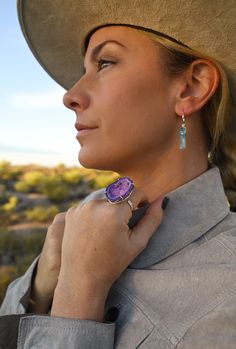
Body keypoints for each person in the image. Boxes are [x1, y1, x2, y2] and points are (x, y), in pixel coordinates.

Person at [1, 0, 236, 348]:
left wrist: (78, 291)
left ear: (191, 87)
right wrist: (39, 289)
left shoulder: (226, 300)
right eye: (83, 69)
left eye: (105, 62)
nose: (70, 95)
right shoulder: (74, 237)